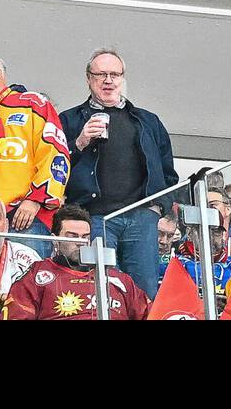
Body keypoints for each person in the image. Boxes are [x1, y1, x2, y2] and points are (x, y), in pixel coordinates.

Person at [59, 47, 177, 297]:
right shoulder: (69, 119)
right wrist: (79, 142)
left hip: (142, 218)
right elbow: (55, 169)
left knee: (143, 292)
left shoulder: (148, 121)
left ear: (123, 78)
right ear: (89, 78)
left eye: (114, 74)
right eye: (101, 74)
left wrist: (159, 209)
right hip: (94, 218)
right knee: (100, 292)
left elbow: (168, 173)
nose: (108, 80)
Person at [0, 53, 70, 256]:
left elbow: (56, 154)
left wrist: (35, 200)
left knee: (29, 286)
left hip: (24, 219)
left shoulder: (33, 105)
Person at [3, 204, 151, 320]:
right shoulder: (37, 274)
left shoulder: (118, 279)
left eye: (84, 237)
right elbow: (16, 314)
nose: (80, 243)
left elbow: (152, 313)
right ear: (55, 240)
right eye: (72, 236)